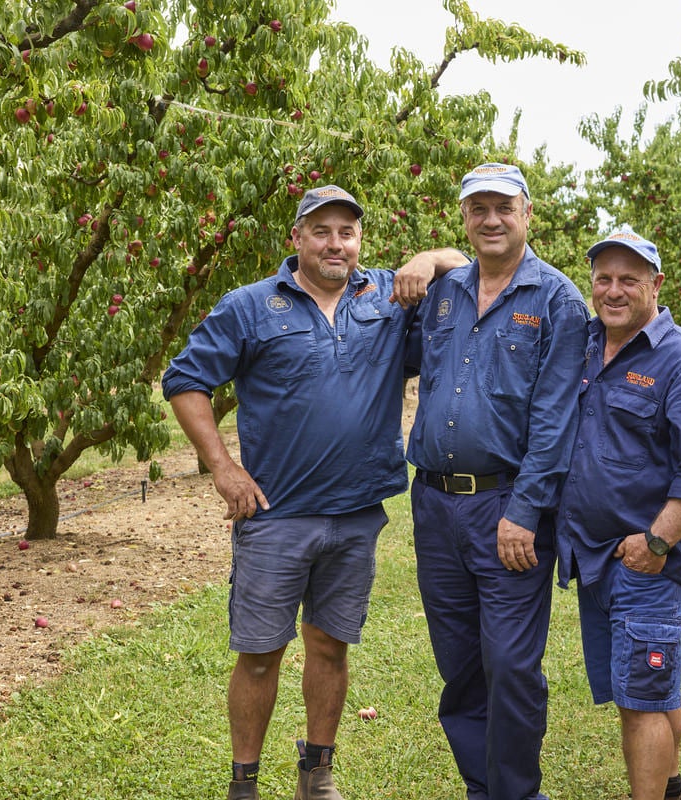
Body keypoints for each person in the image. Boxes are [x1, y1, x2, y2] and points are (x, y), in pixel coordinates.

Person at [161, 185, 466, 800]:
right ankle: (243, 782)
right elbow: (184, 381)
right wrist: (222, 467)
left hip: (356, 514)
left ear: (360, 240)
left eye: (347, 232)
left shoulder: (385, 297)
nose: (336, 243)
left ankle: (316, 773)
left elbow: (466, 269)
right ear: (296, 238)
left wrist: (432, 256)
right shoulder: (251, 307)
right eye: (321, 231)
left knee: (330, 645)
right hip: (277, 515)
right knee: (259, 652)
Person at [404, 163, 590, 800]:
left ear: (527, 214)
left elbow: (556, 415)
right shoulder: (445, 291)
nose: (491, 220)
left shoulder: (557, 300)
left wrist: (526, 509)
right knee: (458, 664)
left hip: (506, 506)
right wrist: (429, 258)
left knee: (509, 664)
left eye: (503, 208)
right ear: (464, 217)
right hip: (432, 502)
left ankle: (515, 790)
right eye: (478, 208)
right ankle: (482, 786)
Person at [555, 227, 681, 800]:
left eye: (628, 280)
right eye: (603, 279)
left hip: (645, 563)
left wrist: (656, 544)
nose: (613, 291)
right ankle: (673, 788)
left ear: (656, 284)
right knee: (650, 687)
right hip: (596, 558)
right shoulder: (586, 345)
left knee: (641, 702)